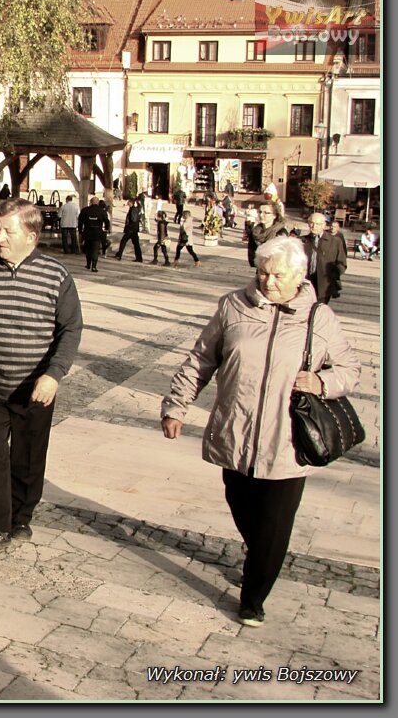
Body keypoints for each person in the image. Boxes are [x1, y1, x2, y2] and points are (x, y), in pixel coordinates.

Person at [161, 237, 360, 627]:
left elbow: (350, 370)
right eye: (262, 272)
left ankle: (253, 597)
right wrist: (176, 405)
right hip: (236, 432)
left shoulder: (320, 318)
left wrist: (321, 383)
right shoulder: (233, 305)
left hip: (287, 443)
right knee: (241, 506)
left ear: (300, 276)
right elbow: (201, 359)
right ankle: (261, 558)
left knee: (273, 526)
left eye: (278, 275)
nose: (268, 281)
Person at [0, 199, 83, 548]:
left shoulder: (56, 276)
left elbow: (70, 329)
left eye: (8, 231)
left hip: (34, 388)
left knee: (27, 460)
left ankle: (22, 516)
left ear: (32, 236)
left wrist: (54, 374)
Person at [302, 212, 346, 305]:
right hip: (305, 282)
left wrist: (331, 276)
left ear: (324, 225)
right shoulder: (302, 241)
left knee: (319, 312)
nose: (314, 226)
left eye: (317, 224)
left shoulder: (335, 242)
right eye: (311, 223)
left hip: (324, 285)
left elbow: (342, 263)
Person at [77, 196, 110, 272]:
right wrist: (106, 228)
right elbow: (107, 221)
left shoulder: (85, 210)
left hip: (87, 231)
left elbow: (80, 221)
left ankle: (88, 264)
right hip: (97, 232)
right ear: (98, 202)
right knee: (95, 249)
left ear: (91, 202)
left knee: (88, 249)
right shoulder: (102, 211)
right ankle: (94, 266)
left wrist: (80, 231)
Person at [113, 197, 144, 262]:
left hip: (131, 229)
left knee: (123, 241)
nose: (127, 203)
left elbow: (133, 219)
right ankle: (139, 258)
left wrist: (130, 226)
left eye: (128, 202)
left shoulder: (133, 210)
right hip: (134, 229)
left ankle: (119, 255)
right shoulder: (137, 209)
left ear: (131, 203)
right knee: (136, 244)